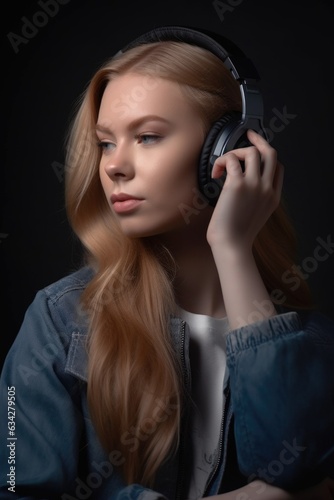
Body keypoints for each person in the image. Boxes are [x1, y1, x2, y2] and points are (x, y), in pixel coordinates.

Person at [0, 25, 334, 500]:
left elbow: (289, 472)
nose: (114, 165)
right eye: (106, 142)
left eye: (148, 136)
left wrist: (233, 249)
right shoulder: (58, 321)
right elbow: (16, 488)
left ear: (228, 148)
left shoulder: (311, 341)